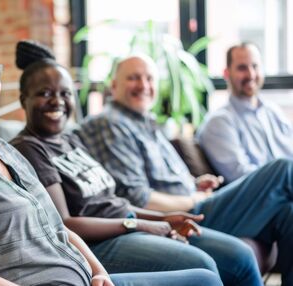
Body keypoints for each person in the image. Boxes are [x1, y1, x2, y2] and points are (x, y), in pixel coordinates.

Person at [0, 26, 222, 286]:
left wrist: (98, 272)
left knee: (205, 277)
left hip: (85, 278)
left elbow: (59, 229)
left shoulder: (0, 149)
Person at [9, 40, 258, 286]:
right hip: (98, 244)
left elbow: (114, 202)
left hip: (127, 227)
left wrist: (163, 218)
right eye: (44, 93)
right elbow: (65, 223)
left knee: (240, 256)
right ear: (24, 100)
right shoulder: (29, 148)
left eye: (65, 93)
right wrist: (141, 224)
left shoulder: (70, 140)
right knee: (204, 267)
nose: (57, 101)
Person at [77, 54, 293, 286]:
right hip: (184, 216)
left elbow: (160, 179)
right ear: (114, 85)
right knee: (282, 170)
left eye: (150, 79)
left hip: (194, 203)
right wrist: (193, 197)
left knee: (288, 213)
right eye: (134, 78)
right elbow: (139, 197)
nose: (144, 85)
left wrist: (195, 183)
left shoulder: (144, 122)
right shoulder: (113, 124)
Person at [196, 42, 293, 183]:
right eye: (242, 68)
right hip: (269, 199)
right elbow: (244, 179)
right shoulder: (219, 123)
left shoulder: (273, 111)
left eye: (255, 66)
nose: (251, 74)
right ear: (226, 73)